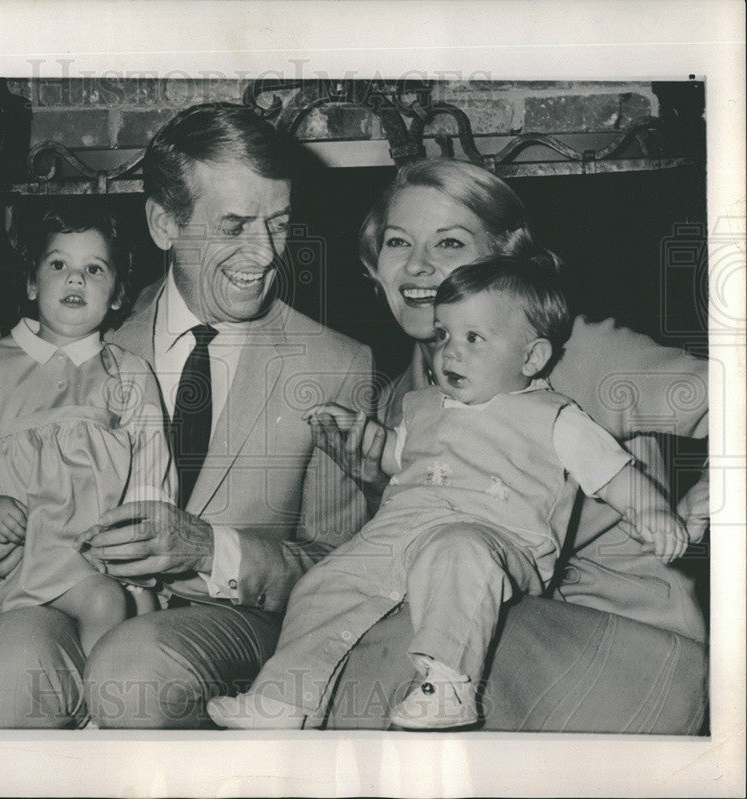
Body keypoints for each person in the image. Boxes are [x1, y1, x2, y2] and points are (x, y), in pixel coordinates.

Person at [0, 103, 374, 728]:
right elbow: (9, 465)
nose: (265, 254)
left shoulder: (336, 364)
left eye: (278, 224)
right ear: (164, 223)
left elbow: (342, 564)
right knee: (0, 670)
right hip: (77, 594)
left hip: (238, 626)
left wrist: (208, 550)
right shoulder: (88, 341)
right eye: (234, 227)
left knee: (135, 668)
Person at [207, 257, 692, 730]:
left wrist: (651, 510)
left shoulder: (553, 416)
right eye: (443, 335)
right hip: (401, 534)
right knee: (327, 581)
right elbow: (400, 457)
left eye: (474, 338)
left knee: (457, 552)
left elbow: (614, 472)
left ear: (531, 357)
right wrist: (366, 435)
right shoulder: (420, 406)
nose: (450, 352)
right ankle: (283, 699)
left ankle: (448, 687)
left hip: (496, 542)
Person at [314, 159, 708, 732]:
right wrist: (377, 480)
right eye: (398, 242)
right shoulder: (403, 399)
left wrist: (705, 502)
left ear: (506, 262)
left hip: (632, 649)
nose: (418, 265)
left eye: (449, 242)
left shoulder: (586, 355)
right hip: (497, 635)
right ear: (375, 267)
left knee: (395, 648)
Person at [0, 211, 169, 658]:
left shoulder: (129, 372)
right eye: (58, 265)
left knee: (145, 608)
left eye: (94, 269)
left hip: (106, 546)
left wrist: (141, 533)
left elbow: (151, 458)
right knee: (103, 600)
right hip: (32, 547)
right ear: (32, 286)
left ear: (116, 296)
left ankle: (112, 706)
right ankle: (93, 717)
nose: (75, 278)